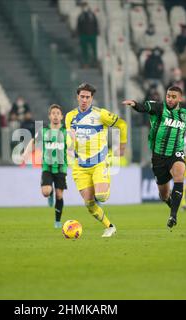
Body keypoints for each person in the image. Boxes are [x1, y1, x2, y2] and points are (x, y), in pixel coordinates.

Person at [122, 86, 186, 229]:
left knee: (179, 174)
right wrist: (135, 104)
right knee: (163, 194)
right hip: (158, 156)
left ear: (180, 98)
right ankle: (170, 201)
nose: (170, 99)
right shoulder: (159, 107)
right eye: (168, 96)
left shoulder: (185, 114)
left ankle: (173, 215)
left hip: (176, 152)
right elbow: (145, 107)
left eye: (173, 96)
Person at [65, 83, 127, 237]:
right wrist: (70, 144)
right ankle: (110, 226)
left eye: (87, 97)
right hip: (80, 166)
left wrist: (123, 146)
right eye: (82, 97)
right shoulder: (69, 116)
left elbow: (122, 125)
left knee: (101, 197)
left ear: (92, 98)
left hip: (99, 162)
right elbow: (69, 140)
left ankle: (102, 183)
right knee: (89, 203)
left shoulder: (101, 114)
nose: (84, 100)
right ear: (77, 97)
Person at [23, 104, 68, 228]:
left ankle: (57, 221)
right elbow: (33, 141)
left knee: (60, 195)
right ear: (49, 116)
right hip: (47, 167)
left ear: (62, 116)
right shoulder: (44, 131)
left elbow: (73, 146)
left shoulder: (65, 132)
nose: (55, 116)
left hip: (61, 167)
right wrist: (26, 153)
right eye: (53, 113)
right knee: (46, 192)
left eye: (58, 113)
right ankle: (50, 193)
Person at [77, 1, 99, 68]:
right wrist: (79, 34)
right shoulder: (80, 16)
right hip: (83, 34)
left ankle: (95, 61)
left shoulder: (92, 15)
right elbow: (79, 25)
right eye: (83, 6)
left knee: (94, 49)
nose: (84, 7)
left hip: (92, 34)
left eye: (85, 6)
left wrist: (96, 32)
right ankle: (85, 63)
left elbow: (96, 24)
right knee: (84, 50)